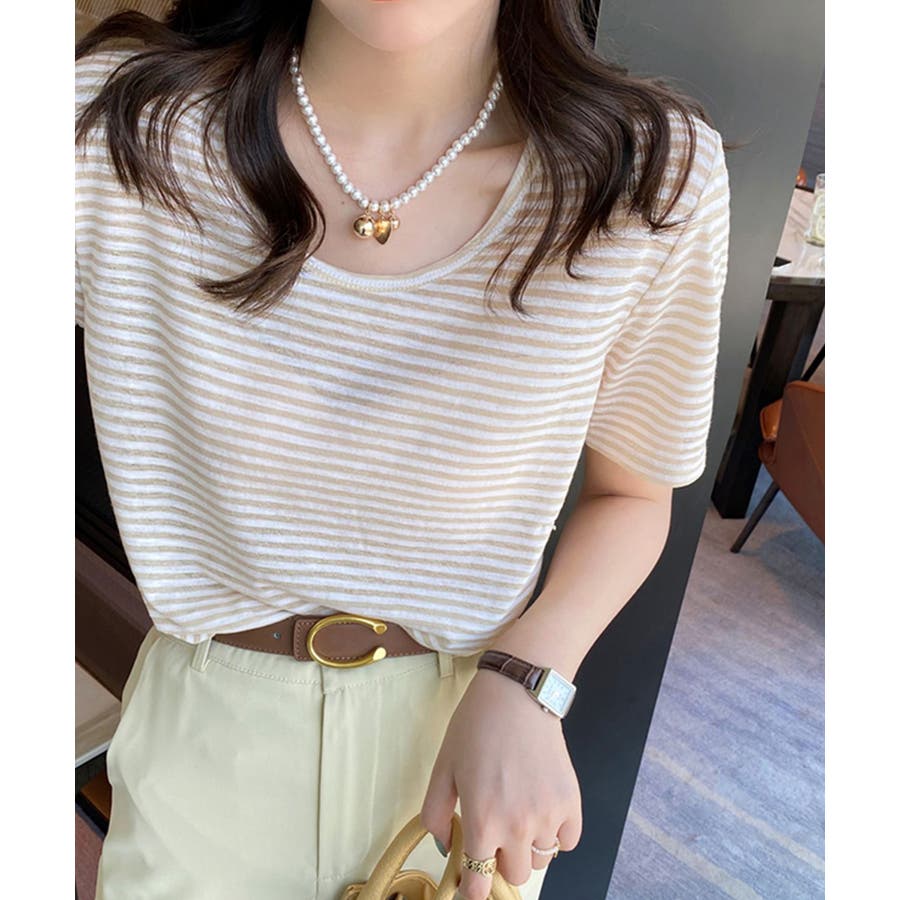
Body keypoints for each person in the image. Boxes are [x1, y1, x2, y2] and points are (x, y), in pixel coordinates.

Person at [74, 1, 731, 898]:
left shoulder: (651, 179)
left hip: (474, 757)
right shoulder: (109, 131)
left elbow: (634, 496)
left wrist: (532, 680)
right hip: (203, 750)